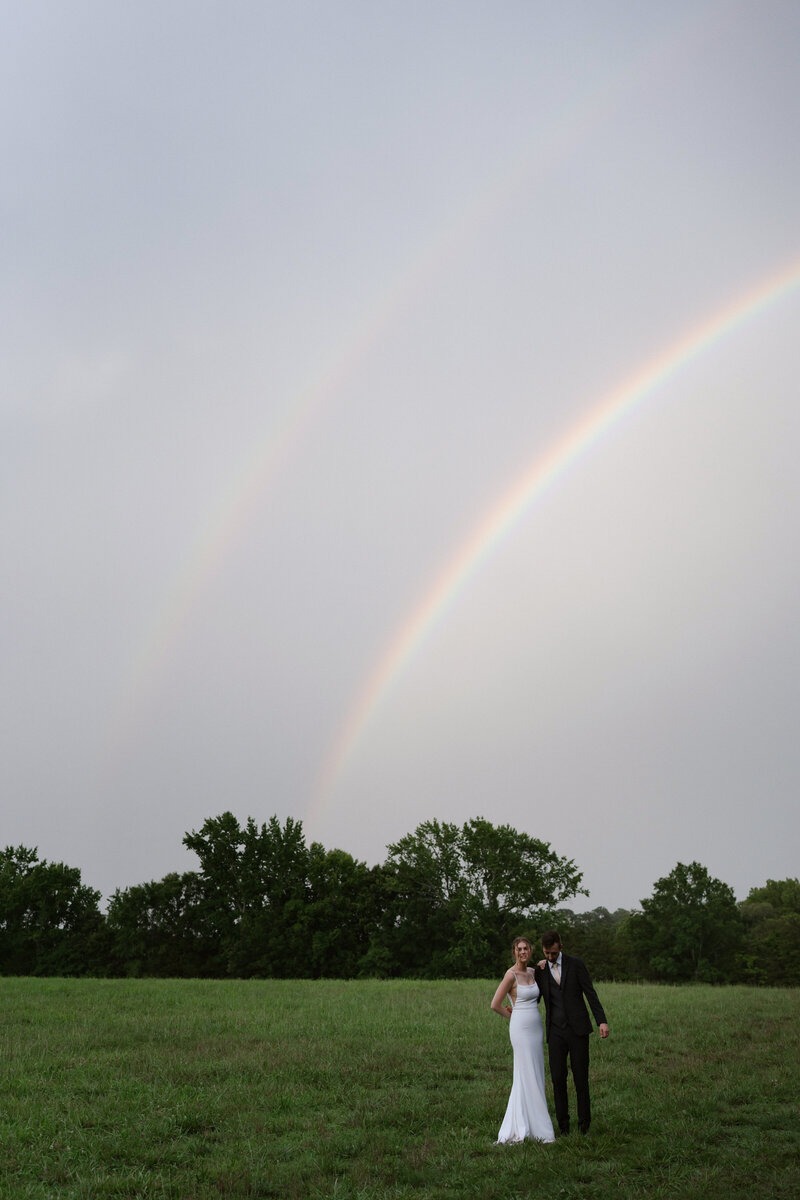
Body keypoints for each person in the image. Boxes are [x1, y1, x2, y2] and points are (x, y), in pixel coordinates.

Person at [534, 930, 609, 1136]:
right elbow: (534, 996)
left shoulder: (576, 964)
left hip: (578, 1030)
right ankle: (563, 1126)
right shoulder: (540, 970)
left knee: (581, 1078)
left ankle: (584, 1124)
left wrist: (601, 1020)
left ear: (561, 946)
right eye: (546, 953)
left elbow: (590, 993)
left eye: (553, 953)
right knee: (558, 1078)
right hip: (555, 1032)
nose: (550, 957)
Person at [490, 936, 555, 1144]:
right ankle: (530, 1127)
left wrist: (544, 964)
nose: (523, 952)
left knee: (535, 1072)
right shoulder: (511, 975)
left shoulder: (534, 972)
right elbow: (495, 1004)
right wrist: (513, 1015)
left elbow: (546, 983)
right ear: (514, 952)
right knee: (524, 1072)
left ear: (531, 950)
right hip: (520, 1028)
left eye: (526, 948)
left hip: (536, 1027)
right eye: (519, 949)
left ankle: (535, 1122)